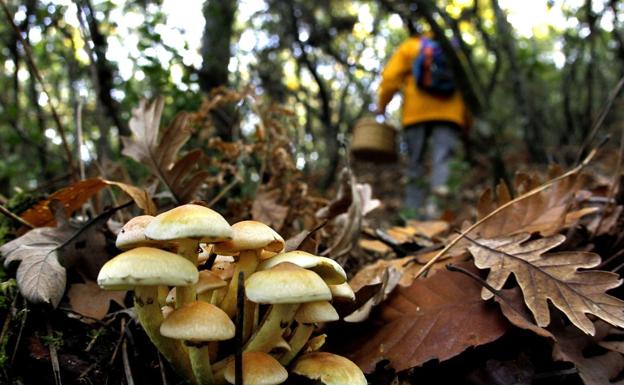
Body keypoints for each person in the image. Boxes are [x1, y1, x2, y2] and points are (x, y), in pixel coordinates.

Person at [376, 29, 470, 218]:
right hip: (450, 115)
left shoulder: (411, 46)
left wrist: (382, 104)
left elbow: (390, 77)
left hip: (415, 114)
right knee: (443, 161)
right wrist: (466, 120)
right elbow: (466, 85)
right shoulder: (452, 49)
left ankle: (412, 216)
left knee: (415, 164)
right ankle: (437, 214)